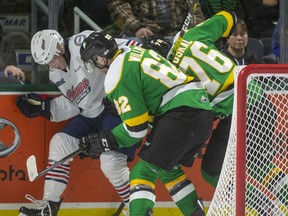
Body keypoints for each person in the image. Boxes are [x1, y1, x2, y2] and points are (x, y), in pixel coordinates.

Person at [79, 32, 213, 215]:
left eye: (92, 62)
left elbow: (136, 130)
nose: (94, 67)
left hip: (180, 113)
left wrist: (106, 139)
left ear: (100, 58)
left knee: (142, 172)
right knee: (168, 170)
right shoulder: (135, 52)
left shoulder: (116, 74)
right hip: (201, 109)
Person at [16, 29, 139, 216]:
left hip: (115, 108)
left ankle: (138, 208)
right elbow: (78, 102)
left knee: (111, 163)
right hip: (91, 115)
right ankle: (49, 205)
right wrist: (45, 107)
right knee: (60, 142)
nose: (52, 65)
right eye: (46, 63)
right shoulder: (55, 73)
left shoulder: (83, 42)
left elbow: (125, 48)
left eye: (52, 59)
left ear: (60, 46)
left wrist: (121, 89)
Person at [166, 10, 237, 188]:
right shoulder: (192, 35)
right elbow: (230, 16)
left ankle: (263, 209)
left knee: (213, 173)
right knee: (262, 168)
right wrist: (220, 38)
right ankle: (268, 209)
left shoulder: (170, 75)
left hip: (237, 111)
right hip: (256, 97)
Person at [106, 0, 204, 41]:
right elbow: (117, 7)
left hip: (179, 36)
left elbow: (194, 9)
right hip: (143, 36)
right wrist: (137, 28)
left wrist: (193, 32)